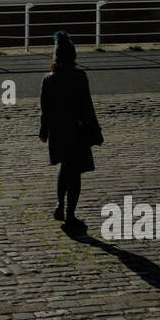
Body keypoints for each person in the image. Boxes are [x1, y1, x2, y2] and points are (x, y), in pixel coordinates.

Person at [39, 31, 104, 226]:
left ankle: (60, 204)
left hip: (58, 131)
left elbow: (45, 109)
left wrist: (44, 131)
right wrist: (95, 130)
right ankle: (70, 214)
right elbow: (87, 107)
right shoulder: (80, 77)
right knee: (74, 174)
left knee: (64, 168)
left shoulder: (49, 79)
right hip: (77, 131)